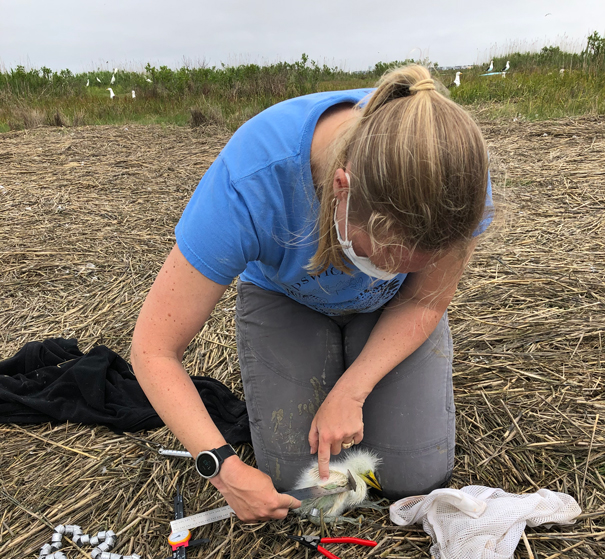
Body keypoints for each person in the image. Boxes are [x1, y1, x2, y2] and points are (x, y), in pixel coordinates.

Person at [131, 64, 492, 524]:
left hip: (391, 311)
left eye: (413, 264)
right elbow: (153, 349)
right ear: (341, 190)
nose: (384, 273)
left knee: (416, 475)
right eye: (385, 259)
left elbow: (424, 300)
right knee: (298, 483)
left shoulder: (459, 187)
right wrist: (223, 468)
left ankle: (353, 366)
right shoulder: (249, 181)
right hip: (288, 298)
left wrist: (352, 390)